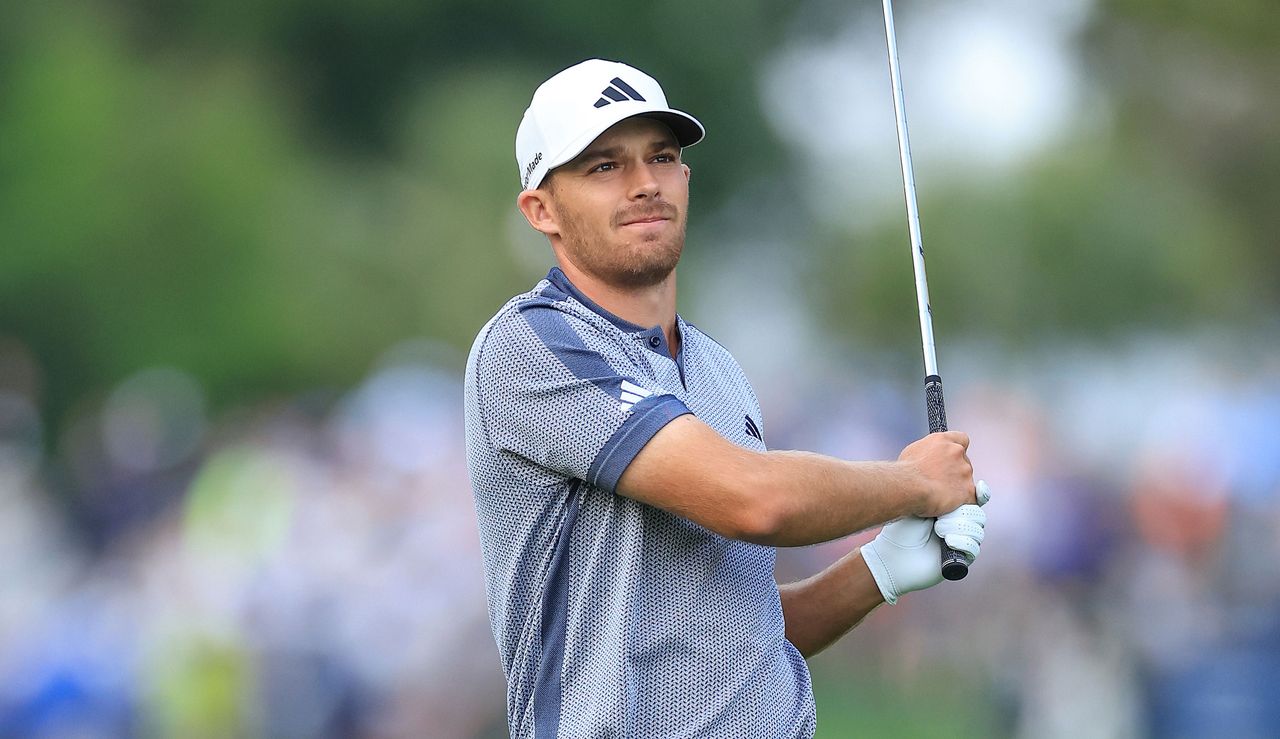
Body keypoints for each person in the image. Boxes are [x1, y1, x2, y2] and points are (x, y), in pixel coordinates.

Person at [463, 58, 990, 738]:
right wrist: (916, 482)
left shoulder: (717, 368)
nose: (644, 183)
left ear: (685, 178)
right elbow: (754, 499)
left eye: (662, 157)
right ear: (541, 209)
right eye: (604, 166)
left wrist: (878, 568)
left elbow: (741, 636)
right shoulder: (532, 344)